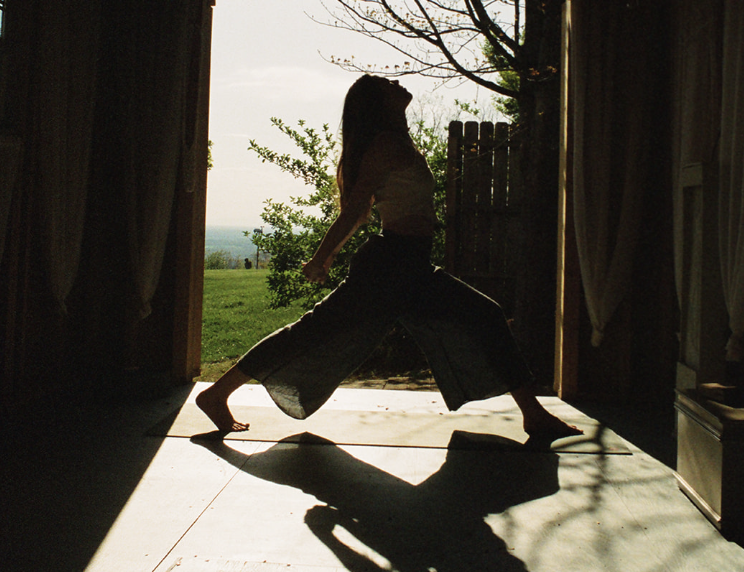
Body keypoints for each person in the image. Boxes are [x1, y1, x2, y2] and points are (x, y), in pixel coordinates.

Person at [197, 74, 581, 442]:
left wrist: (327, 258)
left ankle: (534, 415)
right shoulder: (384, 145)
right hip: (391, 264)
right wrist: (321, 258)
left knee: (483, 317)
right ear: (379, 104)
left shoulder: (395, 142)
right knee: (317, 330)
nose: (398, 84)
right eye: (388, 85)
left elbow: (362, 211)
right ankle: (216, 395)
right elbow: (355, 211)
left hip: (407, 264)